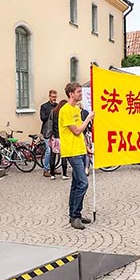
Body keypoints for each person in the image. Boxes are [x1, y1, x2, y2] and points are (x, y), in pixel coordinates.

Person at [59, 82, 94, 230]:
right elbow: (77, 130)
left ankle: (74, 215)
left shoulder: (76, 109)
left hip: (79, 150)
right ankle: (75, 215)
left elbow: (81, 133)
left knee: (75, 184)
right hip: (72, 151)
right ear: (71, 94)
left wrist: (87, 148)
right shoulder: (66, 110)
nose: (80, 94)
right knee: (83, 183)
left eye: (80, 91)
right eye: (78, 92)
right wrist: (89, 118)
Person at [49, 100, 69, 180]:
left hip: (54, 137)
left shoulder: (53, 112)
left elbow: (51, 124)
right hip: (62, 137)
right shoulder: (64, 113)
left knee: (52, 156)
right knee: (63, 156)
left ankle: (52, 174)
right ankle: (64, 174)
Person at [40, 90, 58, 177]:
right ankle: (46, 169)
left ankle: (53, 168)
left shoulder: (57, 106)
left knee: (54, 151)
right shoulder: (44, 106)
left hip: (55, 131)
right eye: (53, 97)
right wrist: (51, 112)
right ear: (49, 97)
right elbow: (43, 118)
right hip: (47, 131)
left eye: (55, 97)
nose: (54, 98)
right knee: (49, 151)